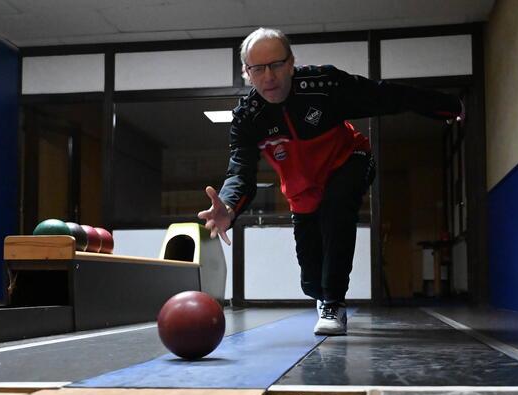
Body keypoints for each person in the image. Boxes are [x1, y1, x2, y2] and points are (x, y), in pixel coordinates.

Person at [198, 28, 462, 335]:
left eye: (276, 65)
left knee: (337, 207)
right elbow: (240, 171)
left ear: (291, 63)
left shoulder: (324, 86)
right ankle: (323, 295)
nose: (268, 76)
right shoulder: (248, 117)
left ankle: (334, 302)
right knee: (311, 280)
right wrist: (229, 207)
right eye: (257, 68)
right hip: (303, 194)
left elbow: (386, 96)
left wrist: (447, 105)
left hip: (350, 161)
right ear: (247, 73)